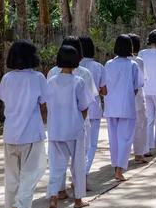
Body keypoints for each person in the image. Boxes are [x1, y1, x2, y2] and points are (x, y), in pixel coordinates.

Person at [0, 40, 51, 208]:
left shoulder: (7, 78)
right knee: (33, 173)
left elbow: (5, 104)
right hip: (31, 133)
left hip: (10, 133)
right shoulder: (38, 78)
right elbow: (44, 106)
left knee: (12, 178)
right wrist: (43, 123)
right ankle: (19, 207)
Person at [48, 37, 98, 196]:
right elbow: (87, 103)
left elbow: (46, 103)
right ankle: (78, 193)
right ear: (79, 56)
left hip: (56, 126)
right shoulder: (82, 75)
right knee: (78, 160)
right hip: (78, 126)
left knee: (56, 162)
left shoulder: (51, 75)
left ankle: (57, 193)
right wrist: (79, 121)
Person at [104, 35, 144, 182]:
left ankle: (116, 167)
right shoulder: (133, 65)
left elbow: (104, 85)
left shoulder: (108, 64)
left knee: (113, 139)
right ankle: (119, 170)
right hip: (126, 106)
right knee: (125, 139)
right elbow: (136, 87)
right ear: (130, 48)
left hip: (111, 106)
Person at [78, 36, 107, 189]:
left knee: (78, 146)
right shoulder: (98, 67)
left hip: (76, 111)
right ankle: (82, 175)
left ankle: (78, 175)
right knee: (91, 145)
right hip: (93, 109)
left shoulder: (73, 67)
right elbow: (104, 90)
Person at [129, 34, 149, 163]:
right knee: (140, 125)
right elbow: (143, 80)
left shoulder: (112, 63)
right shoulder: (138, 61)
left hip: (121, 101)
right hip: (137, 98)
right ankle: (139, 153)